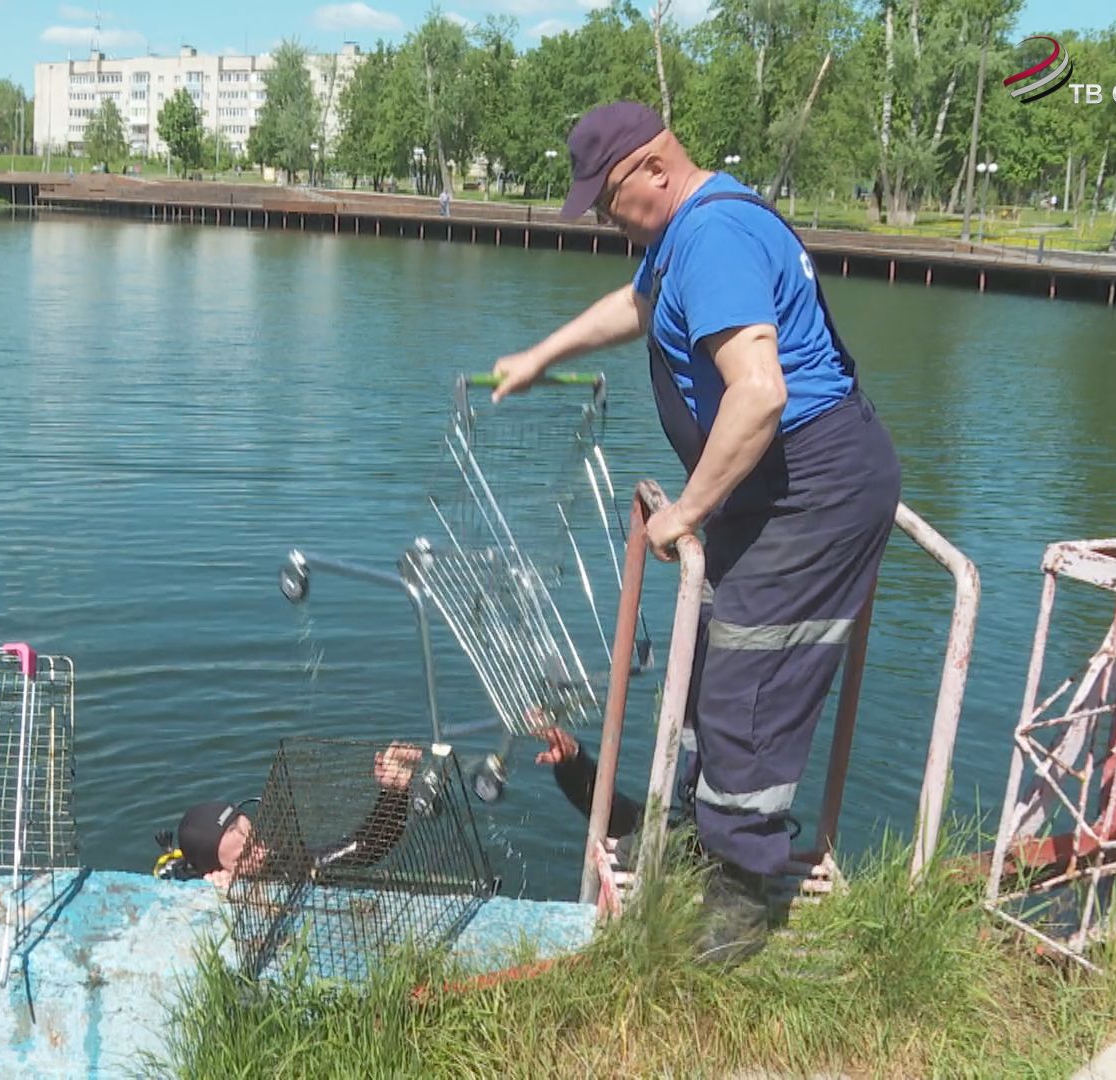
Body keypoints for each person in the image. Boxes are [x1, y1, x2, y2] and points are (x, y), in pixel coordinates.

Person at [490, 101, 901, 965]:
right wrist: (540, 357)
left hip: (812, 489)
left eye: (608, 203)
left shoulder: (712, 240)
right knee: (710, 663)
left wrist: (686, 512)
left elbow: (758, 393)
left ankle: (740, 905)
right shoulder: (683, 238)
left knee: (749, 685)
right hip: (770, 483)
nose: (607, 221)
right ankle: (689, 841)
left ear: (653, 168)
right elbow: (633, 308)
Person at [154, 743, 424, 888]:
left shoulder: (277, 863)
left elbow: (366, 848)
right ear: (215, 870)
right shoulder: (193, 886)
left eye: (256, 839)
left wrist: (395, 793)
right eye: (244, 857)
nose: (262, 852)